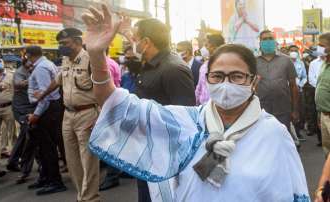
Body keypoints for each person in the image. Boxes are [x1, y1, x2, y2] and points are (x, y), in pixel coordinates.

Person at [81, 5, 310, 201]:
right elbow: (117, 104)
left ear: (253, 82)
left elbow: (294, 192)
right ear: (207, 80)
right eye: (218, 76)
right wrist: (97, 55)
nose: (226, 85)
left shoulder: (273, 134)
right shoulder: (186, 122)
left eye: (237, 76)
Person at [112, 16, 196, 201]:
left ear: (146, 42)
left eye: (134, 38)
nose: (130, 43)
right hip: (147, 147)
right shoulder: (150, 64)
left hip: (164, 154)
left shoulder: (173, 69)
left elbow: (186, 120)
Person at [36, 28, 100, 201]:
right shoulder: (65, 60)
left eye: (65, 43)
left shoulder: (90, 60)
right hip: (68, 115)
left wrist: (101, 117)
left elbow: (102, 90)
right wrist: (41, 95)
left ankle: (91, 198)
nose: (62, 47)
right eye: (60, 44)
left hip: (87, 114)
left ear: (78, 42)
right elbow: (58, 81)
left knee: (88, 161)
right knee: (72, 162)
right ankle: (82, 195)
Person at [26, 45, 67, 195]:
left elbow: (45, 97)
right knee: (43, 149)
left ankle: (55, 181)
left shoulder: (41, 68)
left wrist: (36, 115)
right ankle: (46, 177)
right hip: (51, 109)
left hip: (47, 111)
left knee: (47, 148)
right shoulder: (47, 64)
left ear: (29, 55)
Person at [256, 30, 299, 130]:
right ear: (260, 42)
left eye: (270, 39)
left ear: (275, 41)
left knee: (283, 140)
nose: (268, 41)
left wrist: (295, 110)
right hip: (260, 111)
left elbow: (293, 86)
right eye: (264, 39)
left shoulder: (286, 60)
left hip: (283, 110)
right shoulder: (253, 61)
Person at [6, 58, 37, 183]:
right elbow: (18, 84)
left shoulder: (34, 70)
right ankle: (25, 169)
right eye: (29, 65)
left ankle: (13, 161)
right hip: (22, 109)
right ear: (25, 64)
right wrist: (33, 79)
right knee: (30, 136)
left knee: (25, 136)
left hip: (31, 107)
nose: (31, 67)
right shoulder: (19, 72)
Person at [195, 34, 225, 105]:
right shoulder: (204, 65)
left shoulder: (226, 65)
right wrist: (196, 102)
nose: (204, 48)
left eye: (206, 45)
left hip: (217, 108)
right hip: (202, 107)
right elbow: (199, 86)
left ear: (214, 47)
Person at [315, 32, 330, 156]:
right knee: (327, 151)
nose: (318, 47)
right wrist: (319, 115)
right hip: (324, 115)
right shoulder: (324, 64)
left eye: (322, 45)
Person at [289, 45, 307, 140]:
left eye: (295, 50)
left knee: (299, 111)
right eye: (292, 50)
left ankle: (297, 133)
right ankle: (290, 134)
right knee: (289, 111)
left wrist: (300, 84)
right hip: (287, 91)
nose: (293, 52)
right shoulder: (286, 63)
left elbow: (304, 76)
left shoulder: (301, 63)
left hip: (299, 90)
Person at [308, 50, 326, 145]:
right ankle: (321, 139)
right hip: (318, 92)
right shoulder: (313, 63)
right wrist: (321, 87)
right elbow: (311, 79)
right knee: (319, 115)